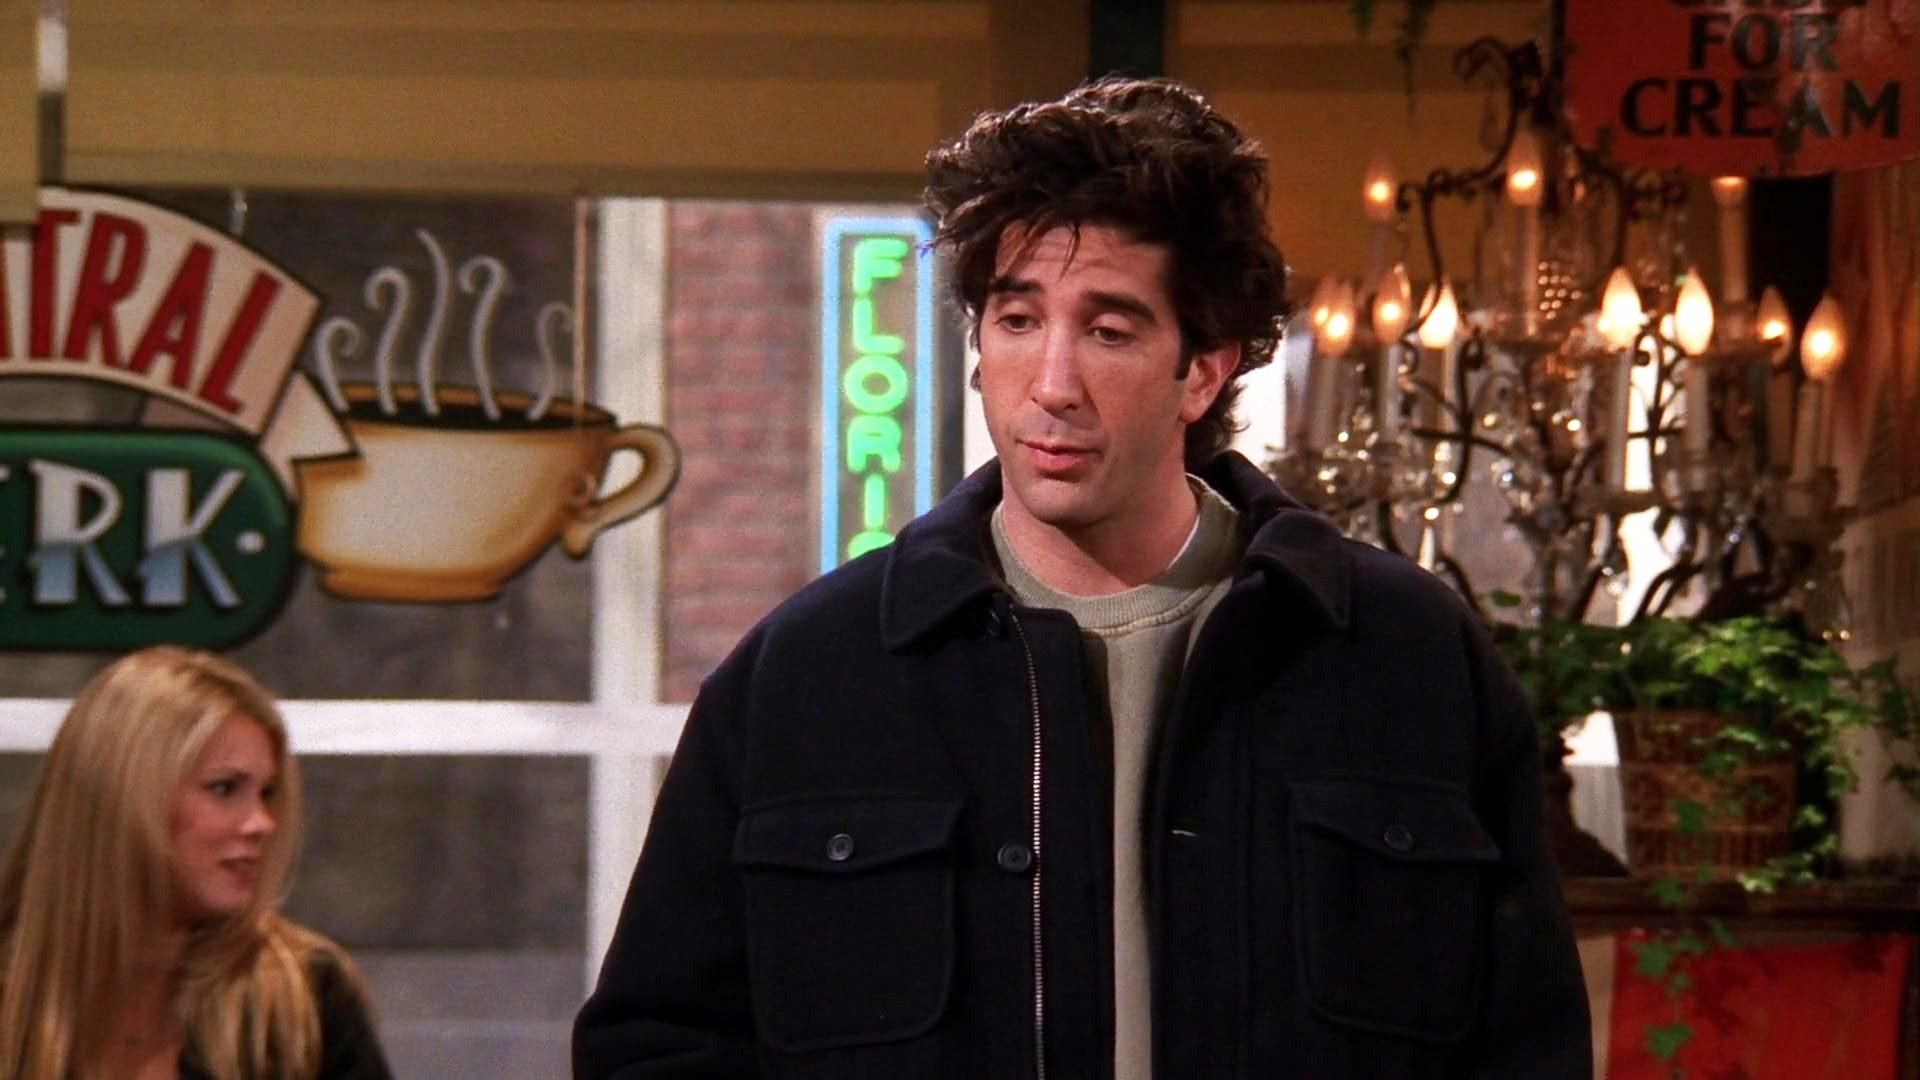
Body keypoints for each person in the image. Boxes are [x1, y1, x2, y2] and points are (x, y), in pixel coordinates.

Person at [576, 76, 1590, 1077]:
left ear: (1203, 370)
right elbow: (654, 1048)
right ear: (979, 346)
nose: (1052, 386)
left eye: (1109, 331)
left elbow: (1526, 1051)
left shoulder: (1403, 659)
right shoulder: (808, 676)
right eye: (1018, 321)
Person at [0, 646, 393, 1080]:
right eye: (225, 789)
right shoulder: (13, 999)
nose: (263, 823)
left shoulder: (306, 1000)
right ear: (124, 798)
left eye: (266, 793)